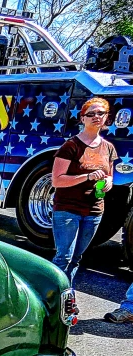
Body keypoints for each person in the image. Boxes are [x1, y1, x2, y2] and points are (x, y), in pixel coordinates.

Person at [51, 97, 117, 286]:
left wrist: (108, 183)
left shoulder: (108, 147)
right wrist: (86, 177)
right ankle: (51, 296)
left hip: (94, 211)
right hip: (68, 210)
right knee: (64, 257)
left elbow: (110, 175)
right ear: (83, 119)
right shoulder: (71, 146)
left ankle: (67, 297)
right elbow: (57, 180)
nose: (96, 117)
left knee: (77, 258)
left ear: (106, 118)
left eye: (101, 113)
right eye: (91, 114)